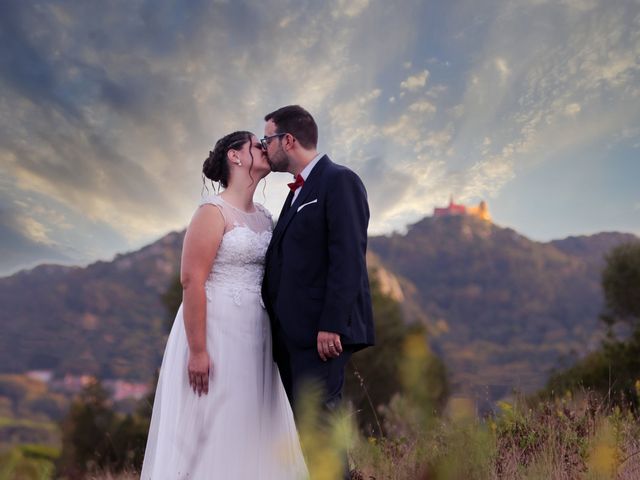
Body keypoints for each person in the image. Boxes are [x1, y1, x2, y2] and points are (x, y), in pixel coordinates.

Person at [141, 131, 308, 479]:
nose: (265, 149)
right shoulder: (211, 212)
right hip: (215, 328)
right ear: (235, 156)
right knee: (218, 419)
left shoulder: (265, 216)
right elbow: (191, 281)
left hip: (257, 332)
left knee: (253, 418)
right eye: (256, 145)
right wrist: (198, 351)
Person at [260, 106, 375, 472]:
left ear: (288, 140)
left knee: (322, 432)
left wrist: (332, 323)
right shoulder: (296, 193)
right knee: (309, 436)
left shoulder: (339, 180)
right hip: (292, 336)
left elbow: (349, 257)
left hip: (320, 334)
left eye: (267, 140)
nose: (265, 147)